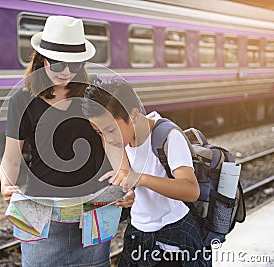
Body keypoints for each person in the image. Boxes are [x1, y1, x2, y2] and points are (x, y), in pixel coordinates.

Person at [0, 16, 134, 267]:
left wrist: (125, 178)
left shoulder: (92, 93)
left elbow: (112, 141)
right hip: (41, 210)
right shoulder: (22, 99)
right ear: (43, 59)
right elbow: (11, 156)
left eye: (75, 64)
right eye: (59, 64)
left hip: (93, 207)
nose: (67, 72)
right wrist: (5, 184)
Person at [82, 79, 211, 266]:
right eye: (99, 132)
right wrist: (127, 193)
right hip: (138, 232)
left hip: (173, 235)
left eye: (110, 130)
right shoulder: (117, 140)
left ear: (133, 115)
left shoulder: (168, 136)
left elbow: (191, 190)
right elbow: (125, 176)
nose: (107, 138)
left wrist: (140, 179)